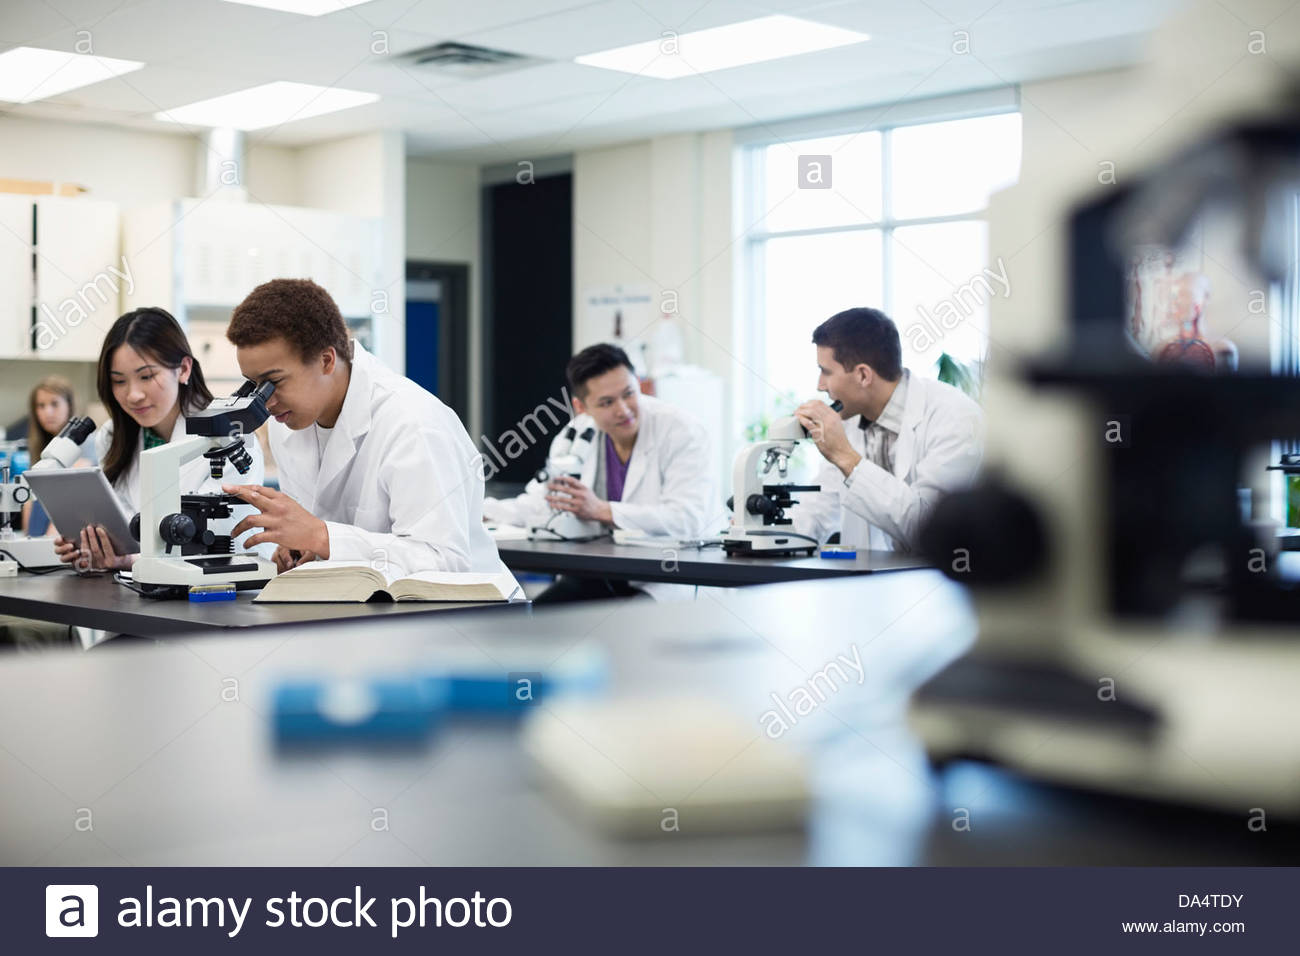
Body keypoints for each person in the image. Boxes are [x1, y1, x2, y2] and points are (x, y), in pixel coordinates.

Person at [221, 278, 514, 586]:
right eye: (253, 386)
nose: (264, 401)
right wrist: (299, 548)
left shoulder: (413, 421)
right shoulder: (289, 424)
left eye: (274, 382)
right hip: (361, 610)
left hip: (464, 616)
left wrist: (322, 537)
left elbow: (443, 560)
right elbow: (323, 537)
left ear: (326, 360)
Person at [484, 343, 715, 602]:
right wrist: (484, 511)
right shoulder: (576, 435)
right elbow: (543, 501)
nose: (623, 410)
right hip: (598, 573)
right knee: (536, 620)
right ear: (581, 406)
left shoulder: (681, 431)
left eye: (628, 393)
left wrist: (602, 510)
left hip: (664, 578)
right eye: (606, 402)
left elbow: (687, 519)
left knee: (624, 626)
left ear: (639, 383)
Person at [52, 307, 266, 573]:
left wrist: (128, 560)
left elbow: (215, 537)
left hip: (223, 587)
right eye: (119, 381)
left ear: (184, 369)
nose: (133, 395)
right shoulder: (112, 436)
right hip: (141, 589)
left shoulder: (231, 435)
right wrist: (91, 542)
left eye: (146, 376)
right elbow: (126, 526)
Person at [792, 307, 983, 553]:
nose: (820, 386)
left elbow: (927, 527)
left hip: (940, 581)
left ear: (863, 375)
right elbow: (819, 508)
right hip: (870, 582)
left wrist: (846, 457)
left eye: (826, 372)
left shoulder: (954, 416)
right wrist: (764, 536)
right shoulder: (850, 420)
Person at [21, 376, 81, 536]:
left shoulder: (84, 444)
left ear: (69, 405)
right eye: (41, 405)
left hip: (61, 536)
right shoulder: (39, 446)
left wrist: (48, 543)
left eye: (54, 404)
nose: (47, 412)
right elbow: (30, 498)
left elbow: (73, 499)